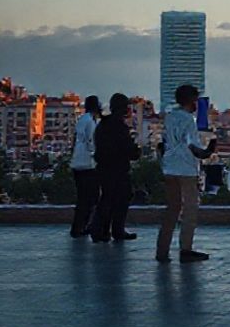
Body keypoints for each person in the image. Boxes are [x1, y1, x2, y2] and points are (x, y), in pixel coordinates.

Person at [155, 84, 217, 263]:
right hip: (186, 170)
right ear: (191, 101)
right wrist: (208, 151)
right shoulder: (189, 120)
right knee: (190, 209)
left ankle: (162, 250)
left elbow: (164, 142)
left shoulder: (169, 117)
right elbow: (193, 146)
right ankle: (186, 249)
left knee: (172, 210)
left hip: (169, 168)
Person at [90, 93, 140, 243]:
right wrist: (136, 151)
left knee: (107, 199)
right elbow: (127, 148)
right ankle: (113, 230)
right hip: (117, 168)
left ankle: (102, 230)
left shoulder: (103, 124)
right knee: (119, 199)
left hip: (104, 168)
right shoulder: (118, 126)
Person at [70, 95, 101, 238]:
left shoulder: (82, 120)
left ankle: (79, 226)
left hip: (77, 162)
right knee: (90, 197)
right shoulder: (90, 121)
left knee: (82, 197)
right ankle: (83, 226)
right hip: (87, 164)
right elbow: (91, 141)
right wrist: (96, 155)